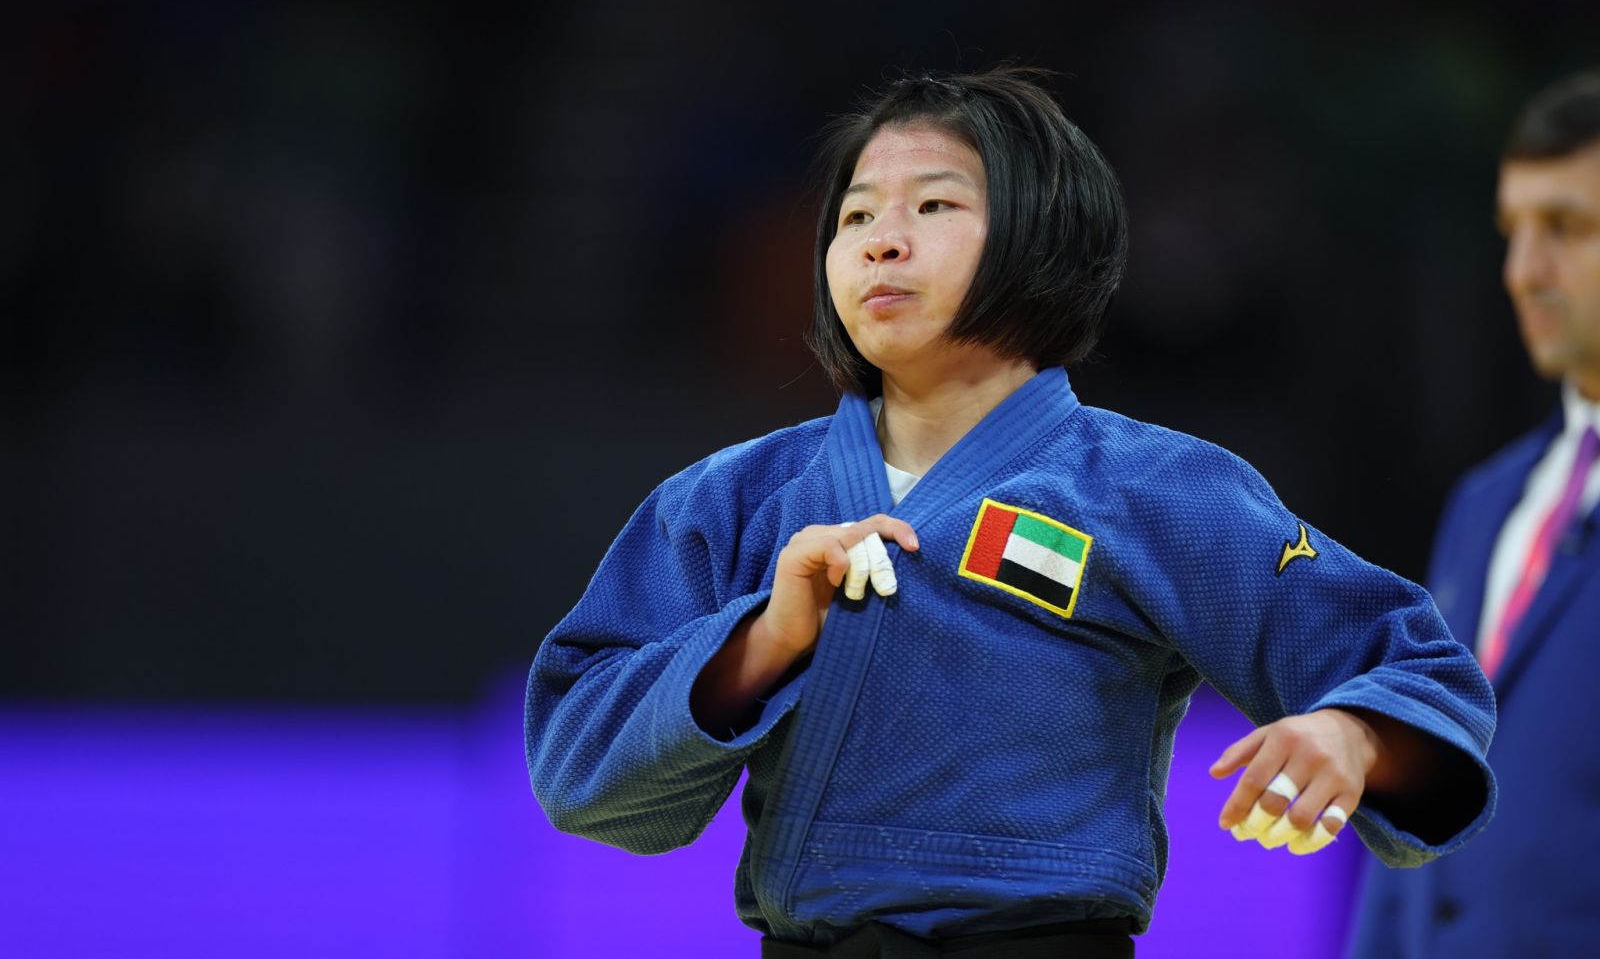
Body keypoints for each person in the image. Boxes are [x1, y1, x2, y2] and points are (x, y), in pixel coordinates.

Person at [527, 68, 1496, 957]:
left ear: (1042, 238)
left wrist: (1356, 735)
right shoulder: (736, 498)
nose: (881, 239)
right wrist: (765, 641)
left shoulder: (1151, 489)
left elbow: (1417, 664)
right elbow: (577, 767)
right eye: (856, 214)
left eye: (933, 204)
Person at [1349, 70, 1600, 957]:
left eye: (1566, 228)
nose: (1523, 272)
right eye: (1513, 231)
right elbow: (1422, 800)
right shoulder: (1488, 502)